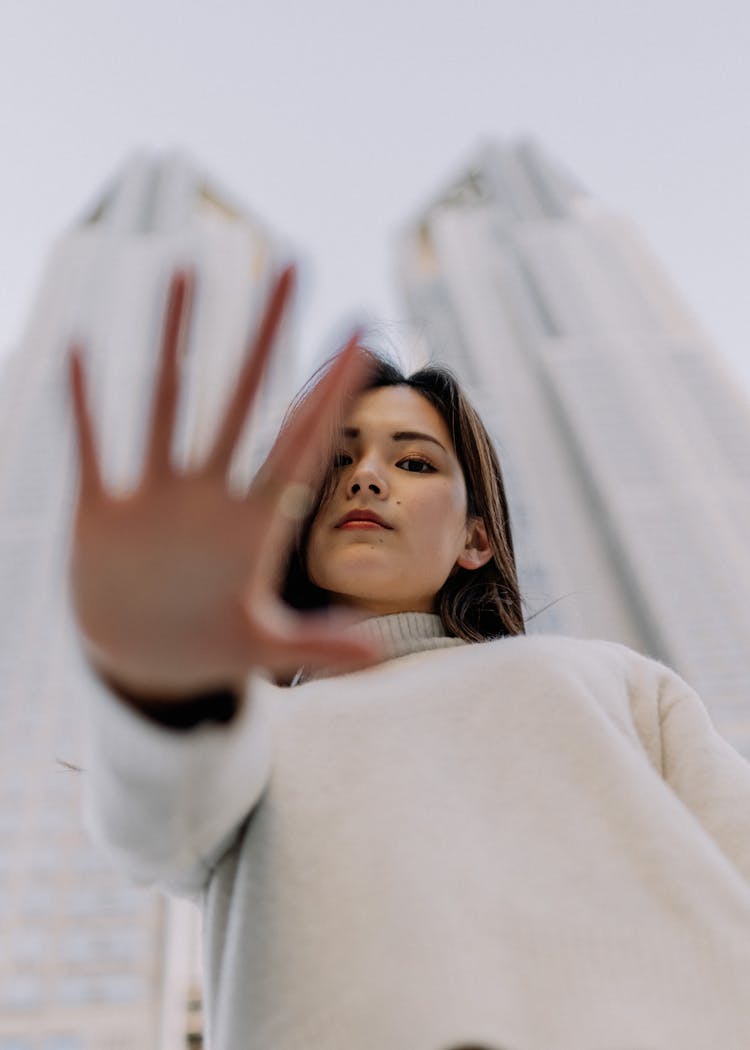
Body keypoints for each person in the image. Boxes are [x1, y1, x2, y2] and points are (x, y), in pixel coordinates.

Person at [69, 267, 750, 1050]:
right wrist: (165, 675)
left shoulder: (612, 682)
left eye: (416, 462)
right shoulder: (246, 729)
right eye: (338, 459)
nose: (365, 476)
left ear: (476, 539)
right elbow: (153, 821)